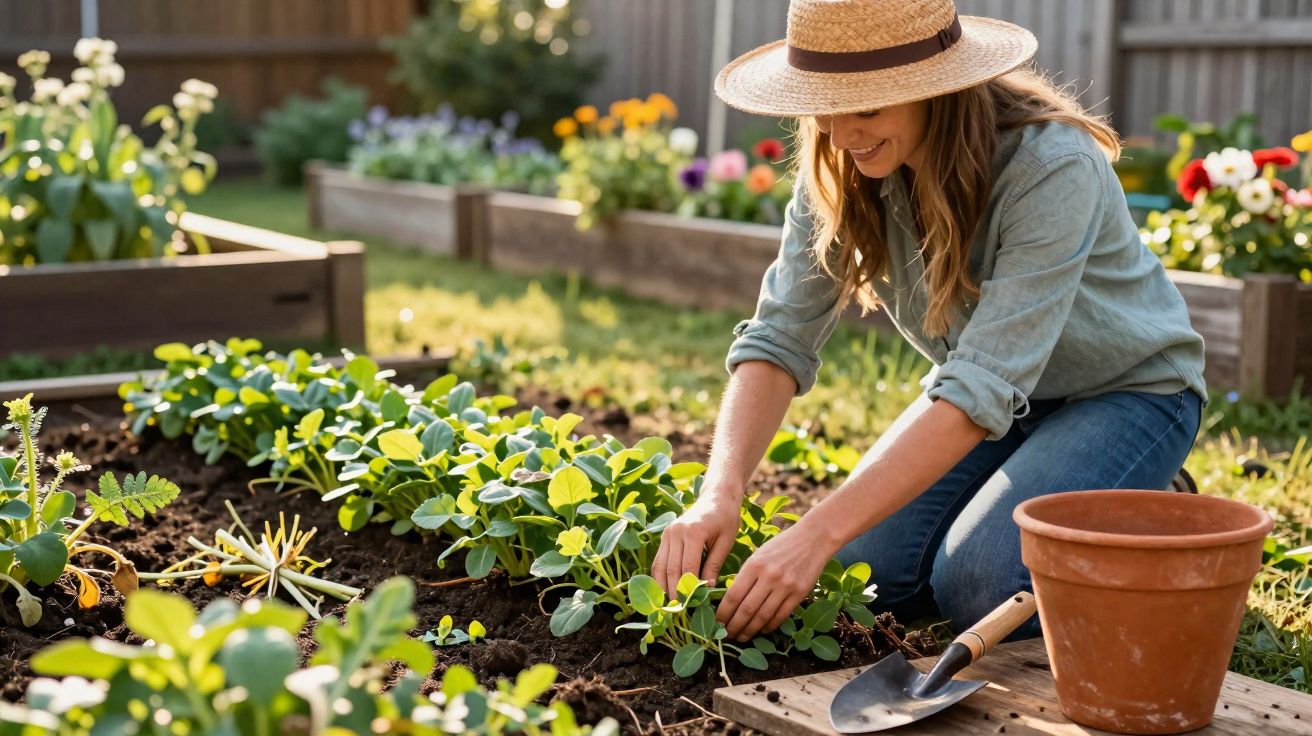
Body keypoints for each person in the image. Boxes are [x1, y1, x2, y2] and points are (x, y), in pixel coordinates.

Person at [651, 0, 1207, 646]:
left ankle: (1154, 496)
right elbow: (780, 336)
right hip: (996, 402)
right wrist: (719, 492)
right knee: (857, 577)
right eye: (825, 105)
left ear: (936, 92)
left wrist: (815, 528)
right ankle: (1050, 487)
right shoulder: (838, 165)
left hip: (1127, 394)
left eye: (866, 107)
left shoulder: (1049, 165)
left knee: (981, 582)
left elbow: (980, 385)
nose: (841, 132)